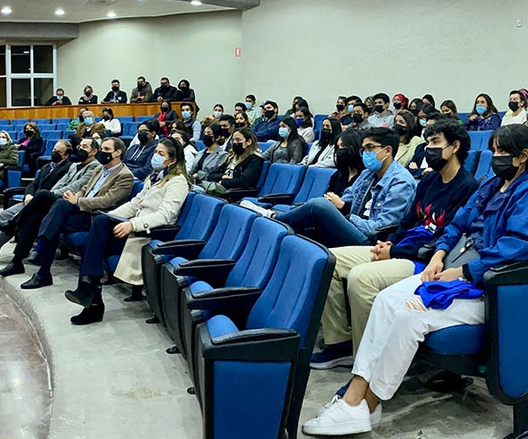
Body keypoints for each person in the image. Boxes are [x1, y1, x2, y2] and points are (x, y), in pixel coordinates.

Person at [300, 124, 528, 435]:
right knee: (385, 300)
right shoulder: (492, 185)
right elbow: (457, 222)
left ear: (523, 156)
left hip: (489, 290)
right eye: (495, 150)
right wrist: (438, 254)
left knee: (409, 312)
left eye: (503, 152)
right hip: (454, 271)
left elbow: (515, 249)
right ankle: (356, 398)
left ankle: (368, 402)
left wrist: (462, 272)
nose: (497, 157)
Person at [308, 120, 478, 370]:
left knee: (360, 278)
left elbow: (442, 240)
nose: (429, 149)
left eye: (435, 143)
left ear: (454, 147)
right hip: (401, 248)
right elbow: (407, 222)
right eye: (428, 142)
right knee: (327, 261)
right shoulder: (428, 182)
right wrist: (389, 243)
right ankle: (340, 342)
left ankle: (371, 360)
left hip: (423, 260)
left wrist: (394, 251)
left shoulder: (467, 187)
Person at [66, 138, 192, 324]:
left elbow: (165, 216)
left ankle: (90, 297)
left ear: (172, 161)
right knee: (100, 225)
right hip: (134, 228)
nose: (155, 156)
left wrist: (132, 225)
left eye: (161, 154)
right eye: (155, 152)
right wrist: (111, 217)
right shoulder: (155, 177)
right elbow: (135, 204)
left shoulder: (177, 182)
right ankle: (89, 291)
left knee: (93, 244)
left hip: (148, 234)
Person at [18, 137, 135, 289]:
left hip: (95, 216)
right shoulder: (100, 168)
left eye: (107, 150)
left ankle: (42, 262)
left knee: (54, 219)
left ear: (118, 152)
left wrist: (78, 201)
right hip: (80, 209)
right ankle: (42, 267)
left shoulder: (125, 176)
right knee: (59, 205)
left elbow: (107, 201)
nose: (102, 153)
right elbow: (85, 189)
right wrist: (75, 196)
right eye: (102, 149)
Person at [276, 128, 415, 248]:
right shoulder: (368, 174)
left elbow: (381, 227)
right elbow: (348, 196)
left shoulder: (401, 181)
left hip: (371, 240)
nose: (365, 153)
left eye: (370, 147)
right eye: (364, 149)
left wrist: (348, 217)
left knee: (319, 206)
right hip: (354, 228)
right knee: (304, 227)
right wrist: (336, 208)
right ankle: (277, 226)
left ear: (387, 150)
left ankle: (275, 219)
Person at [0, 139, 75, 264]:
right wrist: (28, 195)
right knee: (3, 216)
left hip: (44, 206)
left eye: (58, 152)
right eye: (54, 150)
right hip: (31, 200)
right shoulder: (46, 167)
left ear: (65, 156)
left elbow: (56, 191)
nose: (54, 153)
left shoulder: (68, 169)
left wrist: (35, 198)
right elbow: (33, 184)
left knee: (12, 220)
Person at [194, 128, 264, 200]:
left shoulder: (254, 159)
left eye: (238, 140)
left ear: (248, 142)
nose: (234, 142)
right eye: (233, 140)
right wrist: (221, 177)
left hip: (233, 193)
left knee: (198, 191)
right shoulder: (232, 156)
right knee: (195, 189)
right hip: (221, 188)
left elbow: (244, 182)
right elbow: (219, 172)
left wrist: (223, 182)